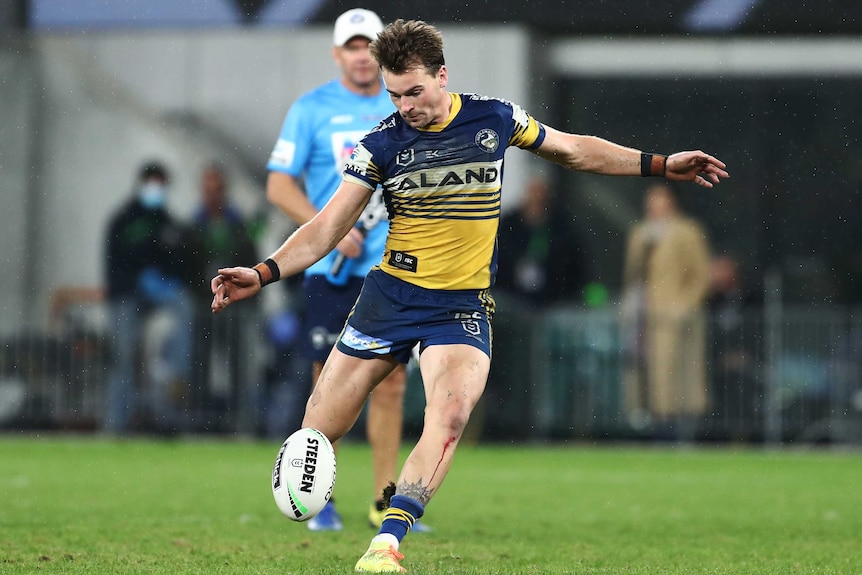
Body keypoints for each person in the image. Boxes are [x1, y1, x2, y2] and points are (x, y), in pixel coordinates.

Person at [211, 19, 728, 572]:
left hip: (458, 305)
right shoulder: (381, 144)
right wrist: (263, 273)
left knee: (450, 416)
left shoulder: (495, 118)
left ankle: (386, 540)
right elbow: (327, 227)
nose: (405, 105)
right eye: (394, 94)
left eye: (414, 91)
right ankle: (317, 498)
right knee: (320, 427)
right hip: (389, 298)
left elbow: (574, 150)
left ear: (442, 76)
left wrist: (659, 165)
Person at [264, 8, 428, 533]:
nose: (361, 55)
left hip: (392, 268)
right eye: (352, 47)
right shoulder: (311, 108)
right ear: (338, 54)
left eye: (368, 46)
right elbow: (279, 185)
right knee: (327, 385)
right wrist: (328, 225)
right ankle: (320, 499)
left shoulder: (402, 104)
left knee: (392, 384)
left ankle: (386, 501)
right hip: (332, 268)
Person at [104, 161, 193, 434]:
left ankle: (170, 403)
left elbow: (177, 259)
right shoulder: (122, 220)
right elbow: (115, 263)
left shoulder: (166, 221)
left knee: (184, 313)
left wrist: (166, 279)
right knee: (123, 358)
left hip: (157, 293)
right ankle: (116, 424)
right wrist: (136, 282)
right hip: (127, 296)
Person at [621, 182, 712, 439]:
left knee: (677, 375)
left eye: (658, 199)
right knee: (643, 376)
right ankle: (652, 426)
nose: (652, 204)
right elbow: (633, 275)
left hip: (675, 318)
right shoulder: (640, 233)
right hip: (644, 316)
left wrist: (684, 306)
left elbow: (701, 275)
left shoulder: (688, 231)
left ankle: (678, 430)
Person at [187, 162, 260, 432]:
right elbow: (188, 266)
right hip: (202, 306)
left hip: (236, 306)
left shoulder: (237, 225)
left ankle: (241, 423)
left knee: (240, 364)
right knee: (198, 363)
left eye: (216, 189)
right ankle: (198, 422)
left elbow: (250, 262)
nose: (212, 195)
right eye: (208, 189)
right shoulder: (194, 225)